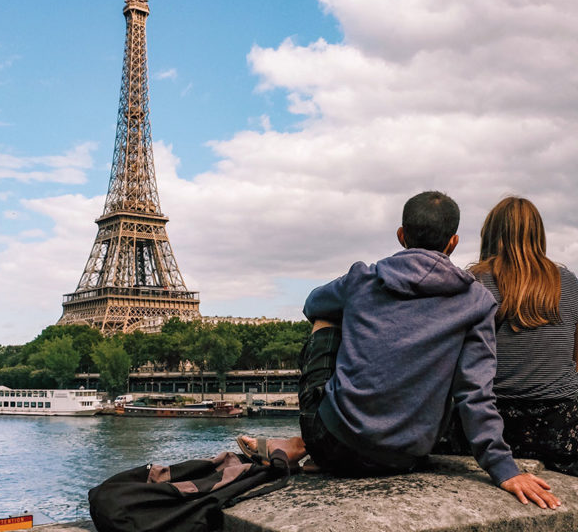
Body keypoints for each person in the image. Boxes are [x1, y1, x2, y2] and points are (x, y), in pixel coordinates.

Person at [238, 191, 560, 509]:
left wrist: (365, 309)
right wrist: (504, 468)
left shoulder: (362, 278)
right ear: (453, 242)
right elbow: (474, 392)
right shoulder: (476, 301)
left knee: (326, 318)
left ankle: (309, 445)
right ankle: (307, 448)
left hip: (331, 442)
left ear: (401, 235)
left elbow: (312, 305)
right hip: (404, 456)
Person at [461, 196, 578, 488]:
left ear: (491, 234)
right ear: (539, 234)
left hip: (492, 422)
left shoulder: (474, 282)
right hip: (562, 424)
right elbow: (576, 364)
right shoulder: (567, 281)